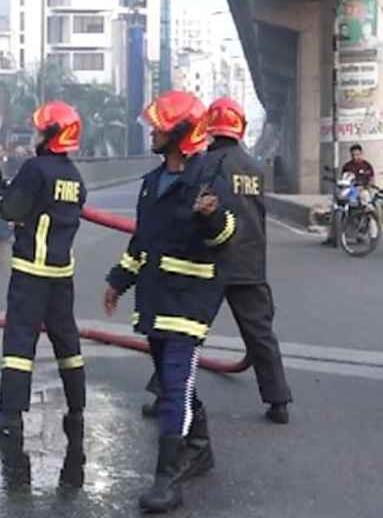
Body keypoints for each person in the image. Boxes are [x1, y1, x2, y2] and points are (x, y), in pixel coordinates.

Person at [103, 90, 237, 513]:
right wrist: (118, 280)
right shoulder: (151, 183)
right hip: (156, 296)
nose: (152, 133)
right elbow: (142, 241)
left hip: (191, 301)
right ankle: (199, 445)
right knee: (167, 375)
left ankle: (167, 477)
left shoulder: (210, 180)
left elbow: (225, 235)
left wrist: (211, 216)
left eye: (160, 127)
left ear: (179, 133)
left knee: (175, 382)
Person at [140, 98, 292, 424]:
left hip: (210, 260)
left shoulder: (205, 165)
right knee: (260, 334)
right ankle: (278, 401)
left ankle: (165, 396)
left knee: (182, 334)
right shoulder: (255, 168)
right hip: (250, 263)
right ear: (239, 126)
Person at [0, 102, 88, 476]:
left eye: (41, 131)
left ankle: (10, 415)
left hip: (31, 272)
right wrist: (6, 188)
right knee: (66, 342)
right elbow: (38, 206)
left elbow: (11, 211)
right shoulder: (74, 177)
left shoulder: (35, 168)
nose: (36, 136)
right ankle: (77, 408)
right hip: (61, 273)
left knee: (19, 344)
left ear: (52, 135)